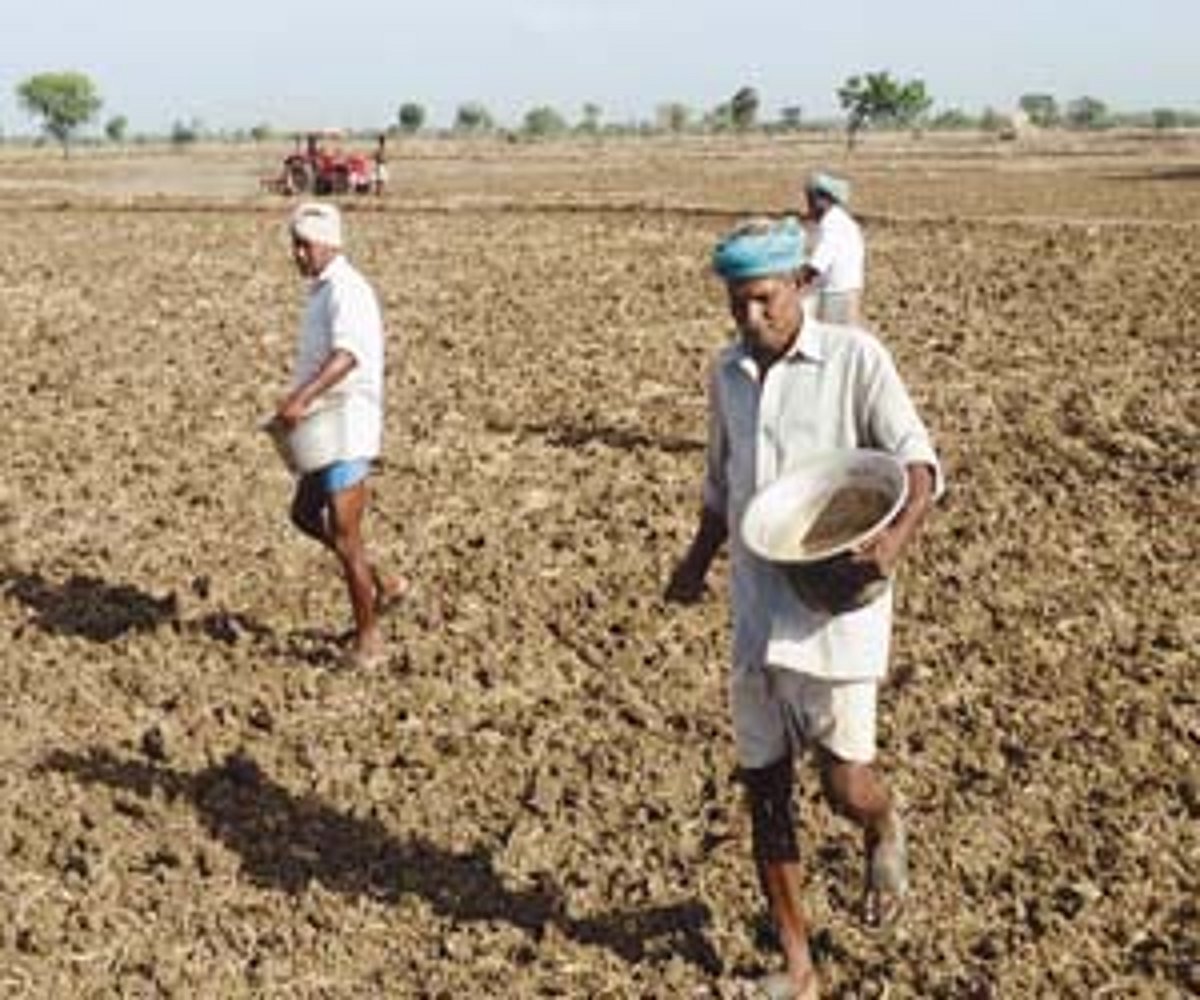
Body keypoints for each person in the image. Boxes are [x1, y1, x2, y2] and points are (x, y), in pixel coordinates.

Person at [665, 217, 941, 999]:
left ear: (802, 285)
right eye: (737, 304)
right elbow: (721, 486)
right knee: (765, 789)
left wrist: (891, 544)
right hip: (757, 608)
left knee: (844, 783)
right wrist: (694, 565)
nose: (751, 318)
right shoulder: (726, 373)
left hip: (835, 606)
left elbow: (918, 465)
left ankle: (882, 822)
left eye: (765, 300)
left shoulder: (855, 358)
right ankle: (798, 967)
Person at [271, 201, 404, 668]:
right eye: (295, 245)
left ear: (329, 243)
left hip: (346, 424)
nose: (297, 254)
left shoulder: (347, 290)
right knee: (305, 514)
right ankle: (384, 581)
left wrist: (301, 398)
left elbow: (348, 355)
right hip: (325, 424)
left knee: (347, 537)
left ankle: (369, 644)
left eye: (304, 245)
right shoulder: (322, 291)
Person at [800, 172, 865, 325]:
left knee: (836, 335)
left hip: (838, 293)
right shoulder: (836, 220)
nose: (808, 205)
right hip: (841, 290)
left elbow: (819, 263)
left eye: (811, 199)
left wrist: (796, 280)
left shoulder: (833, 224)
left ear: (824, 200)